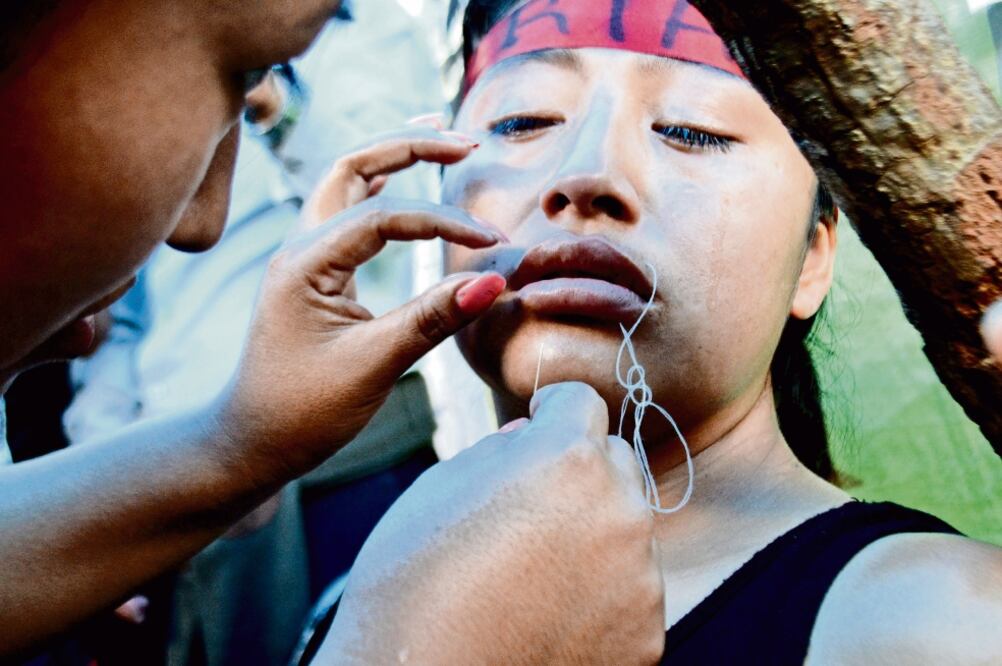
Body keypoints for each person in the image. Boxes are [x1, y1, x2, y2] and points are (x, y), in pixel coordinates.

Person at [303, 0, 1002, 662]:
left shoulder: (935, 621)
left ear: (814, 258)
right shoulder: (373, 594)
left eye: (691, 130)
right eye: (523, 120)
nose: (587, 173)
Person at [0, 0, 527, 657]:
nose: (199, 223)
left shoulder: (376, 36)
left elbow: (400, 207)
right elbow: (123, 331)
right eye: (236, 71)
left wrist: (233, 450)